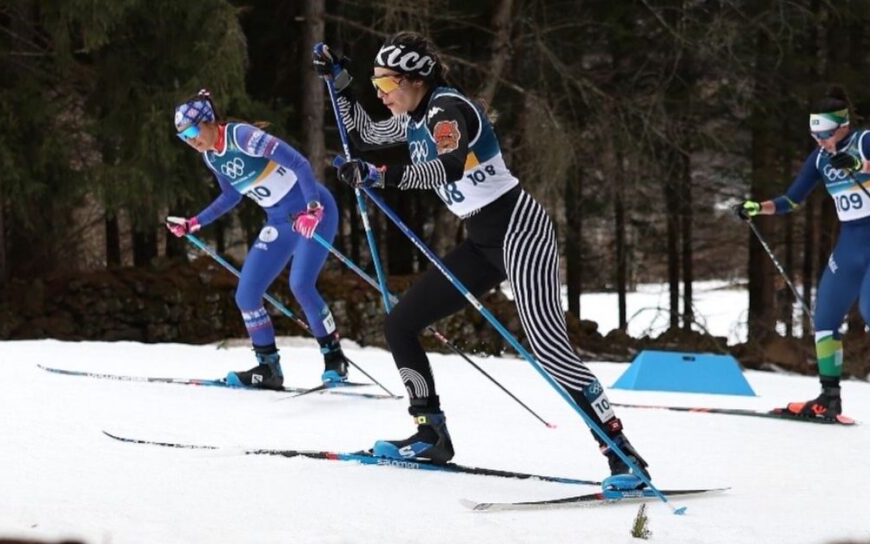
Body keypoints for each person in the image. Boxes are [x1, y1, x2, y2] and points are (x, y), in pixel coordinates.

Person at [312, 33, 649, 480]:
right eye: (375, 82)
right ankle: (430, 433)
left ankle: (621, 452)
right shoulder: (412, 118)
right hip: (482, 240)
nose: (380, 92)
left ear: (416, 79)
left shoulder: (447, 110)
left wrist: (379, 175)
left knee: (549, 348)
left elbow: (448, 166)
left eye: (386, 82)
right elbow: (364, 134)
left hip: (519, 230)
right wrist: (340, 85)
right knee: (400, 323)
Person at [167, 90, 348, 390]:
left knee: (301, 285)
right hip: (279, 222)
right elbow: (231, 195)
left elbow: (300, 164)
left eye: (192, 131)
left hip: (314, 210)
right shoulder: (212, 157)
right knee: (246, 295)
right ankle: (268, 369)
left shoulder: (242, 137)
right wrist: (194, 223)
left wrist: (313, 208)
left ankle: (334, 359)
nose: (190, 140)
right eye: (182, 136)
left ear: (209, 121)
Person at [734, 85, 870, 421]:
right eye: (814, 135)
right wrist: (758, 207)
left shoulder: (866, 141)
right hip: (851, 243)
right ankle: (829, 397)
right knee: (824, 317)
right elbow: (792, 199)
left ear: (843, 127)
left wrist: (861, 164)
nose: (820, 142)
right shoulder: (821, 159)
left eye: (825, 134)